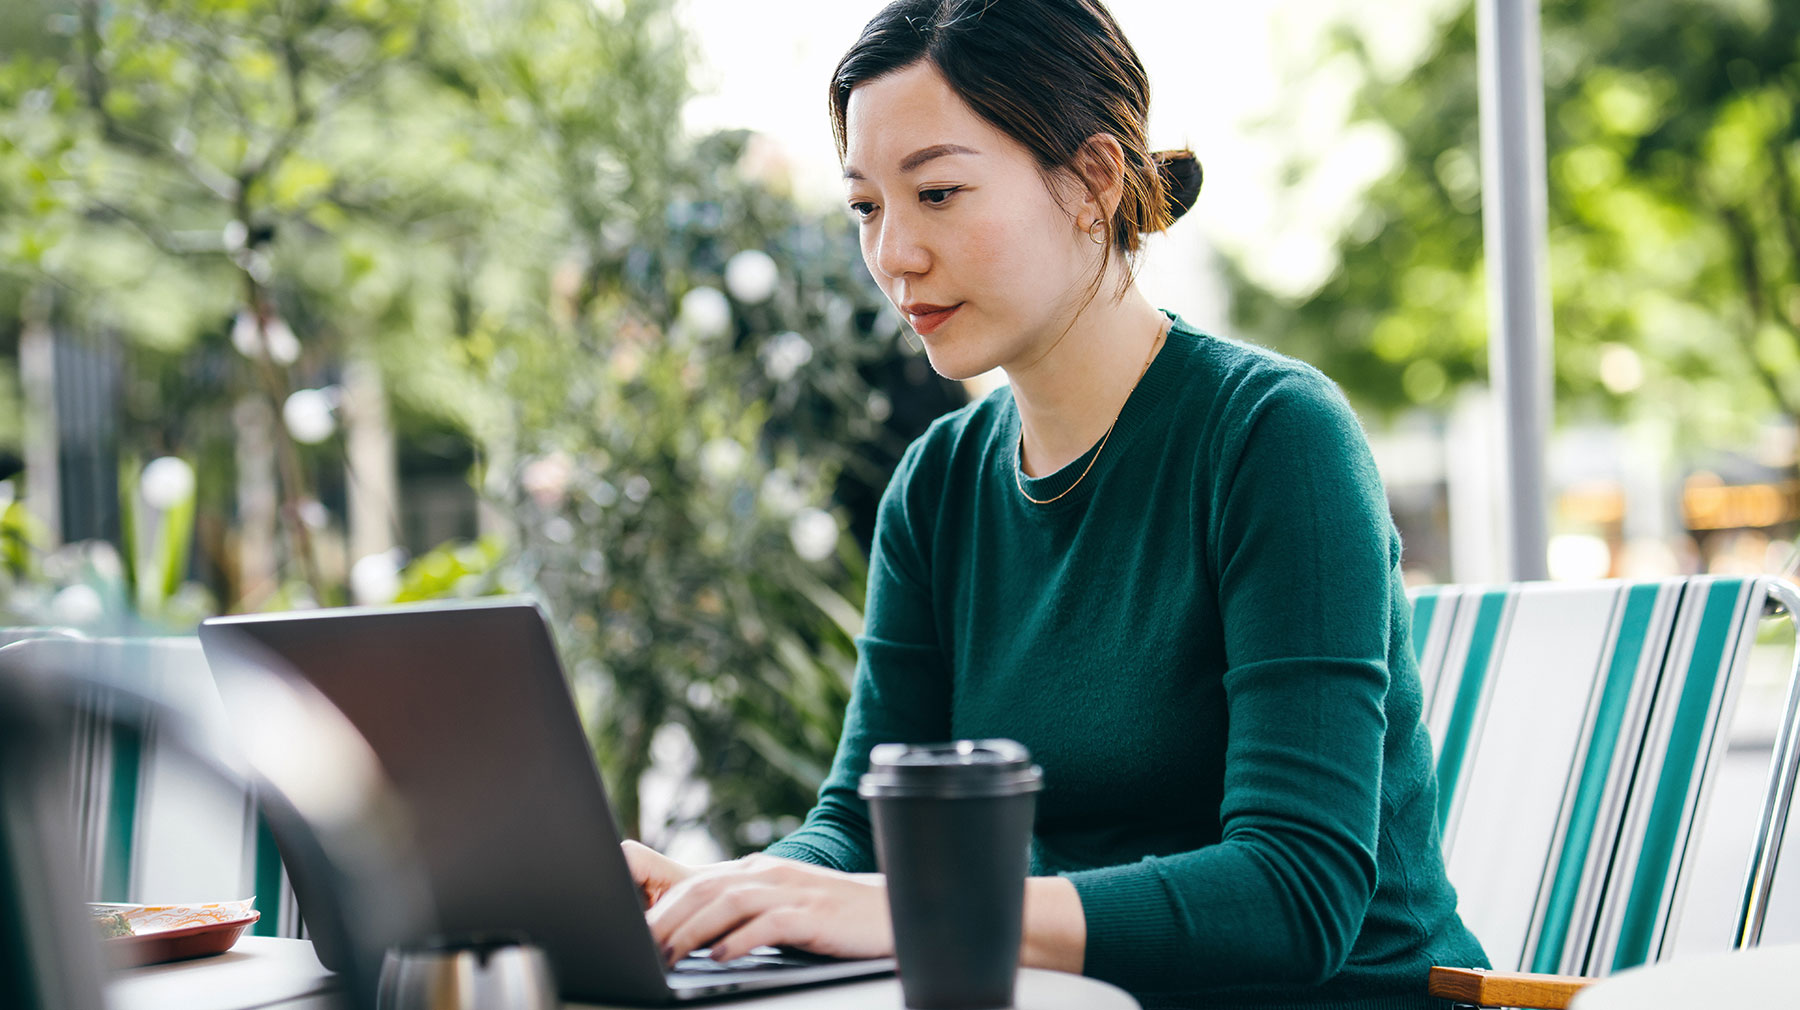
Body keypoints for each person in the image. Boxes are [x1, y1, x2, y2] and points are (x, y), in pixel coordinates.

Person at [622, 1, 1491, 1007]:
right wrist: (743, 892)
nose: (894, 253)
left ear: (1092, 180)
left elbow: (1298, 888)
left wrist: (934, 913)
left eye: (938, 192)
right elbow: (864, 818)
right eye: (866, 206)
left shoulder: (1272, 437)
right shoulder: (940, 483)